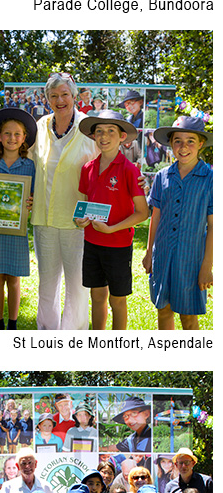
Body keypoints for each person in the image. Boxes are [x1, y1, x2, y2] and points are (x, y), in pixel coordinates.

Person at [31, 72, 100, 330]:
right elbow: (26, 163)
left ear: (74, 96)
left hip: (78, 221)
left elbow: (105, 165)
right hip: (45, 219)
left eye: (65, 95)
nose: (60, 100)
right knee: (47, 284)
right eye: (54, 96)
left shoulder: (89, 128)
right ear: (47, 98)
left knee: (77, 285)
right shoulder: (39, 126)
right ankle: (47, 335)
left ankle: (74, 338)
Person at [76, 110, 148, 329]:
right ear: (93, 137)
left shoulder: (129, 170)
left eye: (110, 131)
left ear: (122, 137)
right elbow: (88, 205)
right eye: (99, 132)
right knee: (97, 296)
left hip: (118, 245)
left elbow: (143, 213)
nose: (104, 136)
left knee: (117, 300)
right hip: (92, 243)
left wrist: (112, 229)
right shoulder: (87, 169)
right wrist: (81, 220)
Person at [142, 116, 213, 330]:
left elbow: (213, 227)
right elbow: (156, 217)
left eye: (191, 140)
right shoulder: (163, 176)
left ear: (201, 144)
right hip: (163, 256)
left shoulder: (211, 179)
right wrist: (149, 253)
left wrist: (207, 267)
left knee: (188, 316)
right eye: (178, 141)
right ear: (170, 144)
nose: (184, 147)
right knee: (163, 309)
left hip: (192, 260)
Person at [0, 106, 36, 329]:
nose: (12, 138)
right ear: (0, 138)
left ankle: (12, 323)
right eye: (7, 134)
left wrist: (30, 202)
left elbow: (32, 195)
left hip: (16, 230)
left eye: (17, 134)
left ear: (24, 139)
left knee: (13, 277)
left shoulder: (28, 166)